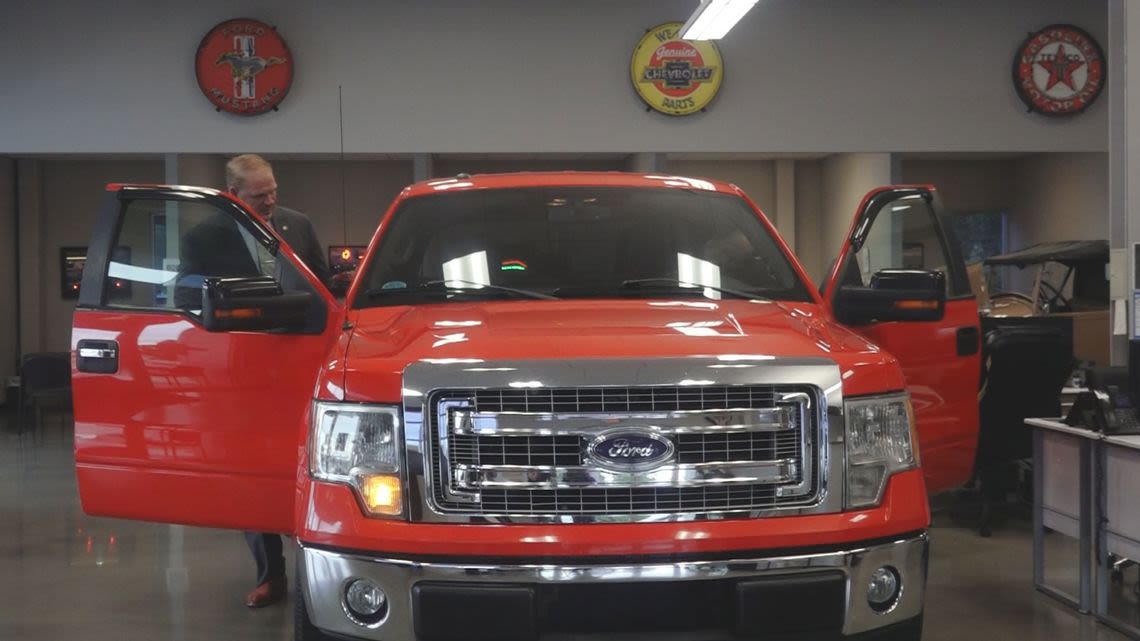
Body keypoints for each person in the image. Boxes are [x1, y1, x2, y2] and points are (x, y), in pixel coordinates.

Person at [225, 154, 329, 608]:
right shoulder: (211, 234)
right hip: (241, 368)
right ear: (234, 195)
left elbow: (323, 288)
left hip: (300, 362)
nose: (269, 201)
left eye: (273, 191)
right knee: (254, 475)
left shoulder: (298, 225)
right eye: (258, 194)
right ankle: (270, 576)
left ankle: (317, 575)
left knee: (308, 469)